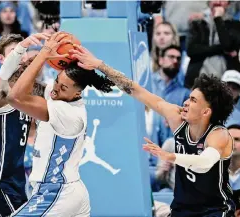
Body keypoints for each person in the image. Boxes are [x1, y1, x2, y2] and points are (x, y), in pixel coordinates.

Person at [71, 45, 236, 216]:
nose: (186, 102)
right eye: (188, 98)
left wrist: (170, 156)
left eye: (193, 100)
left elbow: (204, 163)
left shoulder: (219, 135)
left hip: (214, 211)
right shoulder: (177, 116)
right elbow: (134, 89)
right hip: (182, 209)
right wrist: (99, 65)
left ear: (206, 111)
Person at [7, 32, 115, 217]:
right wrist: (61, 55)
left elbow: (15, 97)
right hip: (68, 190)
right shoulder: (60, 94)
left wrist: (44, 54)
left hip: (56, 192)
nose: (55, 88)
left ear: (77, 94)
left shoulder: (68, 113)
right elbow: (22, 84)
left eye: (63, 87)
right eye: (57, 81)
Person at [0, 32, 50, 217]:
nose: (22, 57)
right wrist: (23, 47)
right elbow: (4, 73)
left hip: (17, 186)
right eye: (15, 52)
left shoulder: (32, 93)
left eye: (24, 52)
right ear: (1, 58)